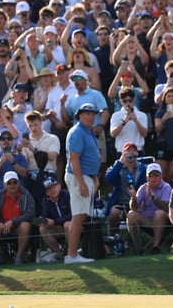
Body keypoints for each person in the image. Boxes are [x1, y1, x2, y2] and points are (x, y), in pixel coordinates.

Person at [64, 103, 100, 264]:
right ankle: (71, 256)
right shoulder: (77, 132)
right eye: (87, 114)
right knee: (78, 217)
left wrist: (94, 177)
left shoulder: (87, 132)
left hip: (86, 176)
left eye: (93, 114)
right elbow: (74, 159)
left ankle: (72, 252)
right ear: (79, 115)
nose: (91, 116)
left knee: (80, 215)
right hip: (79, 177)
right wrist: (82, 183)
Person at [0, 171, 36, 266]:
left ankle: (19, 257)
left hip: (18, 229)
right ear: (4, 184)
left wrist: (13, 221)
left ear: (18, 183)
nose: (12, 185)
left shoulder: (26, 195)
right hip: (2, 229)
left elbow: (30, 214)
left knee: (25, 225)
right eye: (9, 183)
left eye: (14, 182)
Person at [127, 163, 172, 254]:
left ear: (161, 176)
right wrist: (133, 198)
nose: (154, 178)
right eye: (151, 175)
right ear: (147, 177)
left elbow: (166, 207)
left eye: (156, 175)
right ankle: (138, 247)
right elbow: (134, 208)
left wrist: (153, 197)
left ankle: (156, 246)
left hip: (164, 223)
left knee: (159, 213)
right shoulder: (143, 188)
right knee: (131, 214)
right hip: (147, 221)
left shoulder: (166, 187)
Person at [104, 142, 147, 234]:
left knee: (134, 214)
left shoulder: (143, 169)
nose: (131, 153)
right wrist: (120, 162)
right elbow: (108, 179)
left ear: (137, 153)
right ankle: (113, 237)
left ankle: (133, 240)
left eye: (133, 151)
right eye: (128, 151)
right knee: (114, 212)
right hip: (120, 202)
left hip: (137, 202)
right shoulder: (117, 167)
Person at [39, 174, 71, 261]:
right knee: (43, 228)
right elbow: (45, 215)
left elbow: (73, 215)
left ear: (59, 185)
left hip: (74, 226)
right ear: (46, 192)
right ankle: (59, 253)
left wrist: (55, 221)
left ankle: (70, 252)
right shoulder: (47, 200)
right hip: (59, 228)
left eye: (54, 187)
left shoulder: (67, 195)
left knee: (67, 224)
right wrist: (42, 220)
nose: (52, 190)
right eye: (48, 189)